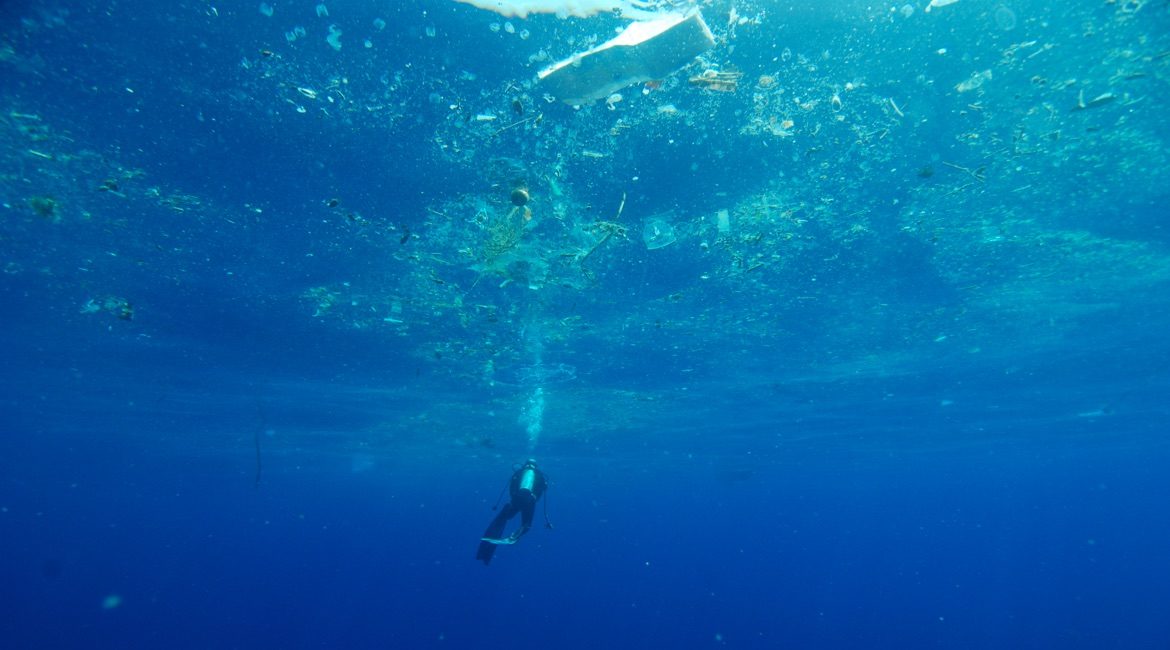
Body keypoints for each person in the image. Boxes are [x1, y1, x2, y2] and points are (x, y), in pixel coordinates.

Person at [476, 459, 550, 565]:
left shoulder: (519, 472)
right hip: (530, 501)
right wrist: (533, 498)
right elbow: (541, 493)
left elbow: (511, 487)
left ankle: (485, 549)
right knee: (526, 524)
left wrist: (514, 499)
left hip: (516, 499)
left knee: (504, 517)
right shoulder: (540, 475)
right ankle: (514, 536)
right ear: (536, 466)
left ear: (525, 464)